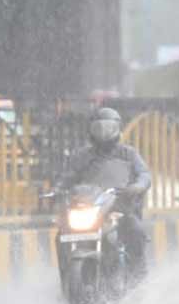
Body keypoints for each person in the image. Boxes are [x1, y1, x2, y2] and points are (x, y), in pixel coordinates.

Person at [59, 107, 151, 278]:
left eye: (108, 127)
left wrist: (137, 187)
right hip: (91, 207)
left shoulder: (128, 153)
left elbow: (144, 174)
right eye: (98, 128)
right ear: (91, 130)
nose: (103, 132)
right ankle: (65, 276)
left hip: (119, 208)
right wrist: (57, 189)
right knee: (62, 233)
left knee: (135, 230)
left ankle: (137, 275)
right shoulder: (81, 156)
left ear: (117, 128)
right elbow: (68, 177)